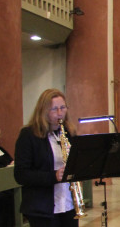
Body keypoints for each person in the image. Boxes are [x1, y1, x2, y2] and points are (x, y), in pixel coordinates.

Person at [14, 88, 80, 227]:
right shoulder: (28, 135)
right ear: (43, 111)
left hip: (68, 204)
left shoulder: (69, 132)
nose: (60, 113)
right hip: (42, 207)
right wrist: (53, 176)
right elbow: (21, 174)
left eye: (63, 107)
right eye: (54, 109)